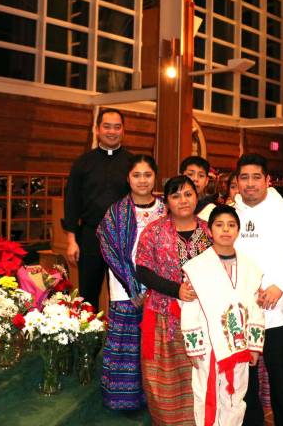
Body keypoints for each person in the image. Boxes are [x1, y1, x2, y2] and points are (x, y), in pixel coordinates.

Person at [234, 154, 283, 426]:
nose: (250, 183)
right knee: (245, 392)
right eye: (244, 177)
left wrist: (282, 285)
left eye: (257, 177)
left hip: (279, 317)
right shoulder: (228, 215)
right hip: (241, 318)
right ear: (237, 182)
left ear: (267, 180)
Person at [135, 175, 213, 425]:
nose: (183, 200)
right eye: (176, 195)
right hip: (163, 315)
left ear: (197, 196)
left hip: (203, 318)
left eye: (188, 194)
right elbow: (143, 270)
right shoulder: (154, 231)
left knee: (200, 375)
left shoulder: (210, 230)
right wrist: (176, 290)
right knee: (164, 381)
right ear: (167, 201)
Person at [181, 205, 265, 426]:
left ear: (238, 230)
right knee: (206, 396)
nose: (225, 230)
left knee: (236, 397)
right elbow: (189, 308)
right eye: (219, 225)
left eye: (231, 225)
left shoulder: (251, 268)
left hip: (239, 345)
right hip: (208, 346)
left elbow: (256, 308)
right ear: (209, 230)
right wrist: (194, 347)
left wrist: (254, 346)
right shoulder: (196, 267)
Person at [97, 154, 166, 411]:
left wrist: (153, 286)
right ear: (128, 178)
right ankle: (122, 401)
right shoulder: (116, 211)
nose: (142, 180)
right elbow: (109, 248)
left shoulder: (165, 209)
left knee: (155, 345)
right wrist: (133, 286)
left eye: (147, 175)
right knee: (126, 345)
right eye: (136, 175)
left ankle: (154, 400)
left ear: (155, 177)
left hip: (159, 290)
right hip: (124, 288)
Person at [62, 108, 133, 309]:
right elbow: (71, 202)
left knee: (123, 294)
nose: (112, 131)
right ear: (97, 129)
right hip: (90, 236)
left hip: (122, 237)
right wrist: (71, 240)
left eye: (117, 127)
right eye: (107, 126)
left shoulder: (132, 163)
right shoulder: (83, 163)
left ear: (123, 130)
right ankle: (90, 337)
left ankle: (119, 339)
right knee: (88, 294)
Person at [180, 156, 216, 221]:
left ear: (206, 181)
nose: (195, 179)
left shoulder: (211, 211)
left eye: (201, 176)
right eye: (190, 174)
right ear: (180, 177)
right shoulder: (171, 206)